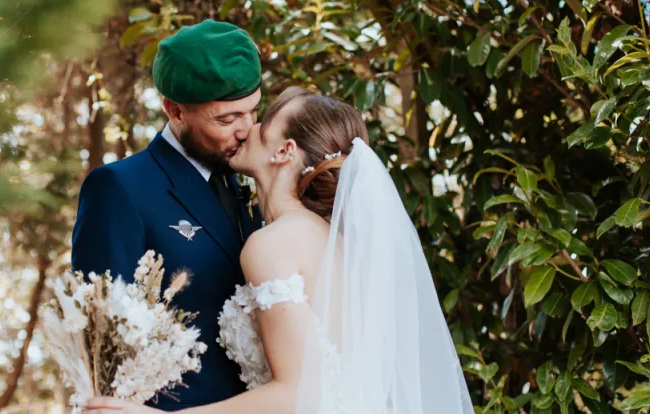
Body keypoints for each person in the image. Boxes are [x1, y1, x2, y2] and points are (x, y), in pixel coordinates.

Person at [82, 87, 474, 414]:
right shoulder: (329, 239)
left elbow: (297, 393)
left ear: (284, 151)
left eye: (262, 121)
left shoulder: (272, 244)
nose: (248, 128)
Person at [71, 19, 265, 411]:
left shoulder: (253, 179)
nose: (246, 130)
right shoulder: (118, 188)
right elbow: (103, 346)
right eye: (226, 119)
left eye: (252, 111)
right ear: (174, 110)